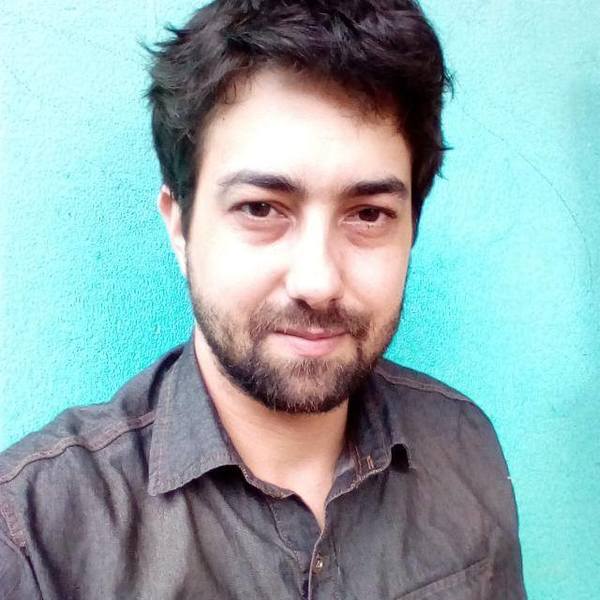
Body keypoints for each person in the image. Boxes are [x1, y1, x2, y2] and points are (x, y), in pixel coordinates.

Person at [0, 1, 526, 598]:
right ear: (180, 226)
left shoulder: (463, 444)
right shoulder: (33, 539)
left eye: (368, 214)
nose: (317, 281)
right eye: (260, 208)